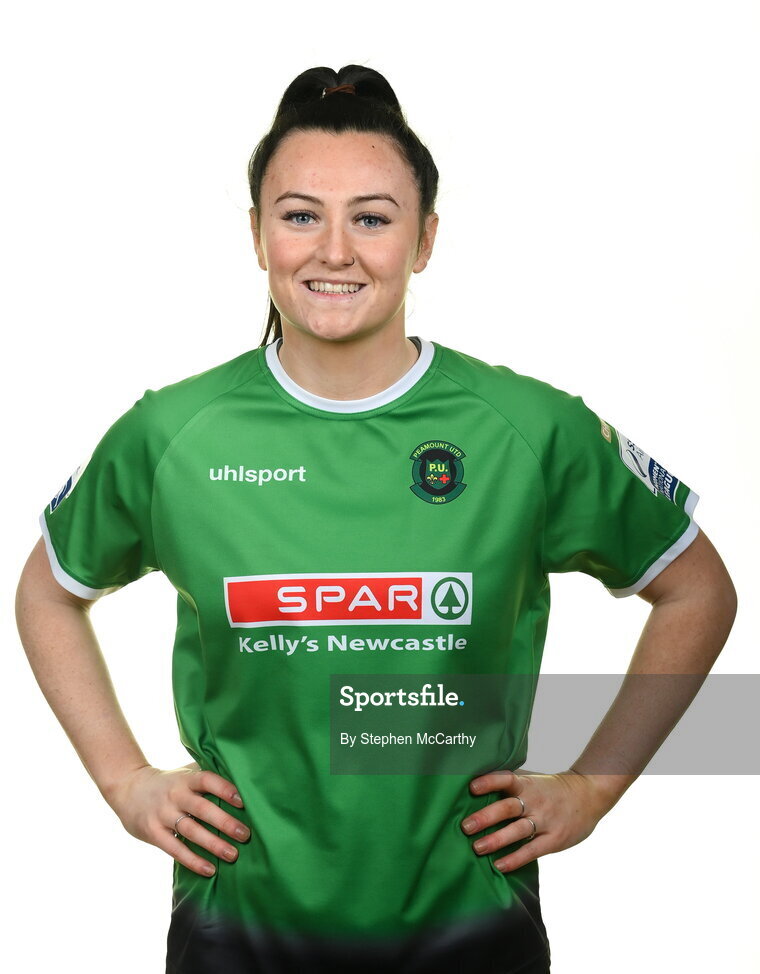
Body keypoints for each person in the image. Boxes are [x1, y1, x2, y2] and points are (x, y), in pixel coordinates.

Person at [15, 64, 737, 974]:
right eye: (300, 214)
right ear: (256, 233)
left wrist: (594, 787)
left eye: (373, 217)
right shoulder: (172, 434)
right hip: (239, 932)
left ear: (425, 238)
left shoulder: (527, 429)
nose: (334, 252)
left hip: (468, 931)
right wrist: (125, 781)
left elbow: (697, 589)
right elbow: (47, 593)